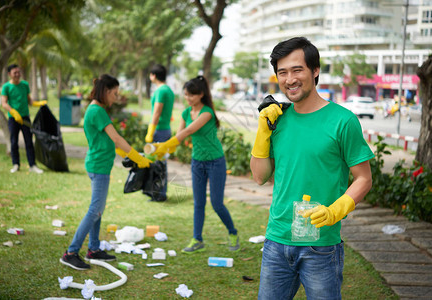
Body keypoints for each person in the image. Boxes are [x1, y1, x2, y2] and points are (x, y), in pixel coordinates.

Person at [250, 37, 374, 299]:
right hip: (277, 240)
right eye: (282, 72)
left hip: (321, 246)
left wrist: (335, 211)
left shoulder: (343, 120)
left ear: (315, 71)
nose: (289, 79)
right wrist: (263, 132)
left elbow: (364, 178)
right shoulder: (276, 119)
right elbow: (260, 176)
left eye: (297, 70)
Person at [60, 74, 151, 270]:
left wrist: (128, 155)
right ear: (106, 91)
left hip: (99, 164)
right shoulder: (97, 111)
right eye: (115, 93)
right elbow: (116, 138)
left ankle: (93, 249)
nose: (116, 97)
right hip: (98, 166)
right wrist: (138, 158)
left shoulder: (95, 109)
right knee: (95, 210)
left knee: (97, 210)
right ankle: (70, 253)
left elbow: (108, 141)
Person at [152, 76, 240, 253]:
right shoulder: (186, 113)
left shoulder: (207, 112)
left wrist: (165, 144)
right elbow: (179, 136)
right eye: (185, 95)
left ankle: (233, 232)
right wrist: (162, 149)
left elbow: (189, 130)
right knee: (198, 203)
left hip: (215, 162)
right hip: (197, 162)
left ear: (201, 95)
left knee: (216, 203)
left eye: (191, 95)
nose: (188, 98)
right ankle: (197, 239)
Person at [1, 64, 47, 174]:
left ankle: (32, 165)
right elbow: (3, 103)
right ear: (9, 74)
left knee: (29, 141)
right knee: (14, 142)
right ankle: (15, 164)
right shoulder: (6, 87)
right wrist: (13, 112)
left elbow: (29, 100)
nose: (17, 74)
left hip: (25, 117)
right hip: (13, 118)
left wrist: (37, 103)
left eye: (18, 72)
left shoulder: (25, 85)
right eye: (14, 73)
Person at [145, 64, 175, 201]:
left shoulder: (160, 91)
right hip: (166, 128)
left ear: (154, 75)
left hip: (159, 130)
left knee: (158, 163)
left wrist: (150, 131)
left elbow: (157, 112)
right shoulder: (168, 90)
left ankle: (159, 193)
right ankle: (158, 192)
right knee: (160, 162)